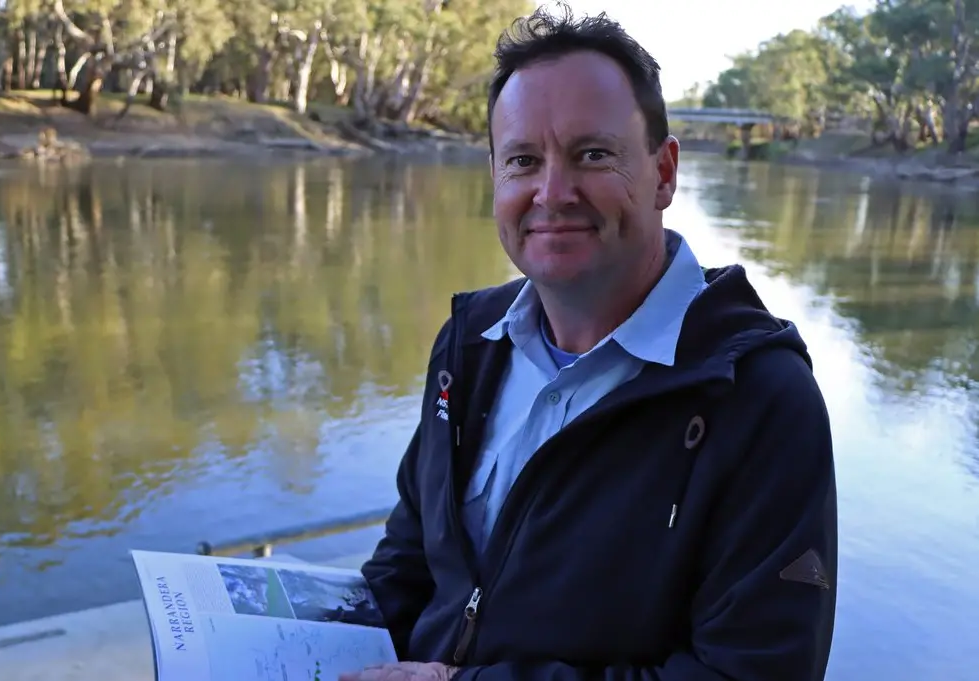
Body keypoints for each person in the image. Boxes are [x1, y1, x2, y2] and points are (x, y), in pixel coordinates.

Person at [339, 5, 838, 681]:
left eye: (591, 154)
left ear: (663, 173)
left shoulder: (757, 398)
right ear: (495, 176)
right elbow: (408, 561)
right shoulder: (467, 345)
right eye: (522, 160)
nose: (551, 192)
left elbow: (748, 674)